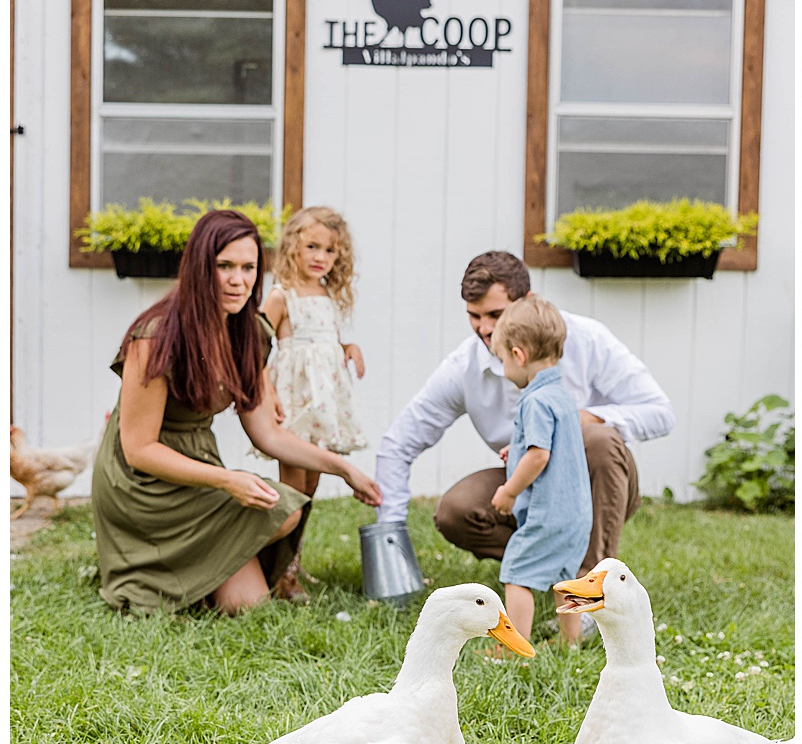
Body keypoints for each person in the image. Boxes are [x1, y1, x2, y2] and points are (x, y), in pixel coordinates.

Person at [91, 209, 382, 616]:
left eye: (248, 268)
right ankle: (161, 565)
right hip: (141, 482)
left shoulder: (249, 334)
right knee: (245, 539)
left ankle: (205, 564)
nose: (237, 279)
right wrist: (227, 480)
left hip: (199, 462)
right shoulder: (155, 336)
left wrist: (344, 469)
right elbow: (139, 448)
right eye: (223, 266)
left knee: (281, 521)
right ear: (198, 267)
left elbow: (270, 436)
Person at [372, 251, 672, 586]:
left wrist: (580, 420)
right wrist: (389, 537)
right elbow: (399, 443)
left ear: (527, 301)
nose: (485, 329)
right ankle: (539, 567)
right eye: (474, 316)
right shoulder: (464, 366)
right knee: (456, 510)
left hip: (598, 482)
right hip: (529, 481)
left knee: (599, 440)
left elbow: (659, 413)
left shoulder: (587, 339)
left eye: (495, 315)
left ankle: (591, 588)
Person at [259, 205, 368, 600]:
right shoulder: (281, 295)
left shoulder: (327, 295)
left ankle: (291, 564)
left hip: (322, 407)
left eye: (330, 250)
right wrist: (267, 392)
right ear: (293, 247)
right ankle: (272, 569)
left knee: (309, 489)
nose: (320, 257)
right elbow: (256, 346)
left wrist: (348, 347)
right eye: (312, 247)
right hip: (293, 404)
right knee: (292, 491)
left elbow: (323, 347)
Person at [487, 295, 592, 646]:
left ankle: (515, 648)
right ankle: (570, 644)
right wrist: (514, 448)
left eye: (502, 359)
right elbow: (551, 444)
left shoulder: (534, 400)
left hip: (548, 514)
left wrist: (509, 491)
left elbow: (538, 456)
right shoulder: (561, 394)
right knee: (565, 579)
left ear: (519, 355)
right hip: (576, 512)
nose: (503, 368)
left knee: (517, 573)